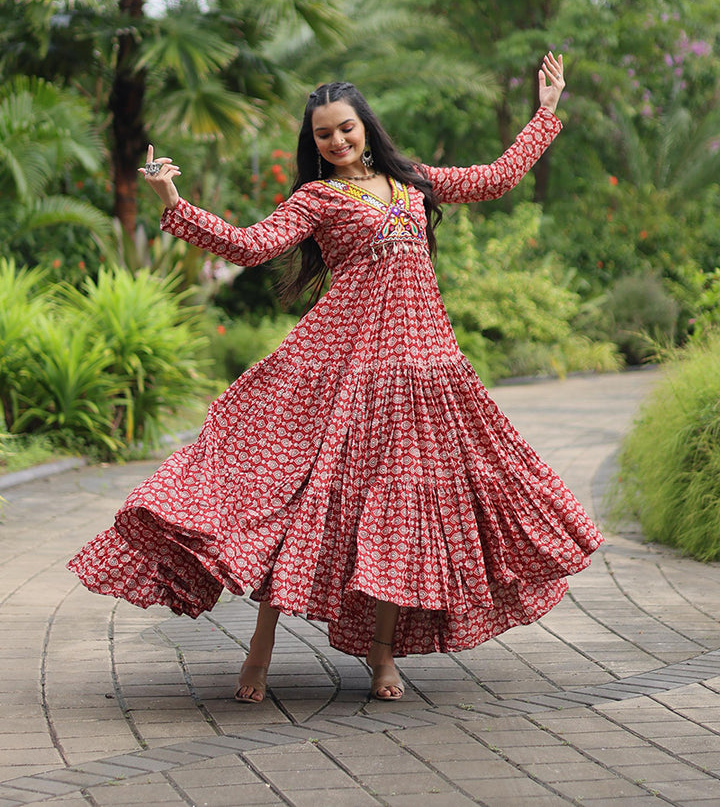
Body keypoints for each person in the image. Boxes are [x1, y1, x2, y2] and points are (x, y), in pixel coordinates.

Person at [68, 52, 604, 704]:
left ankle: (382, 659)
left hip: (421, 374)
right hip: (340, 366)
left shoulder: (412, 183)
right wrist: (171, 200)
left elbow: (495, 178)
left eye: (346, 127)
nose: (337, 140)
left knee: (401, 510)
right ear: (314, 143)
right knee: (302, 499)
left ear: (365, 126)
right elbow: (250, 245)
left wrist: (545, 112)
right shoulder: (318, 198)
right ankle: (258, 657)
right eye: (324, 133)